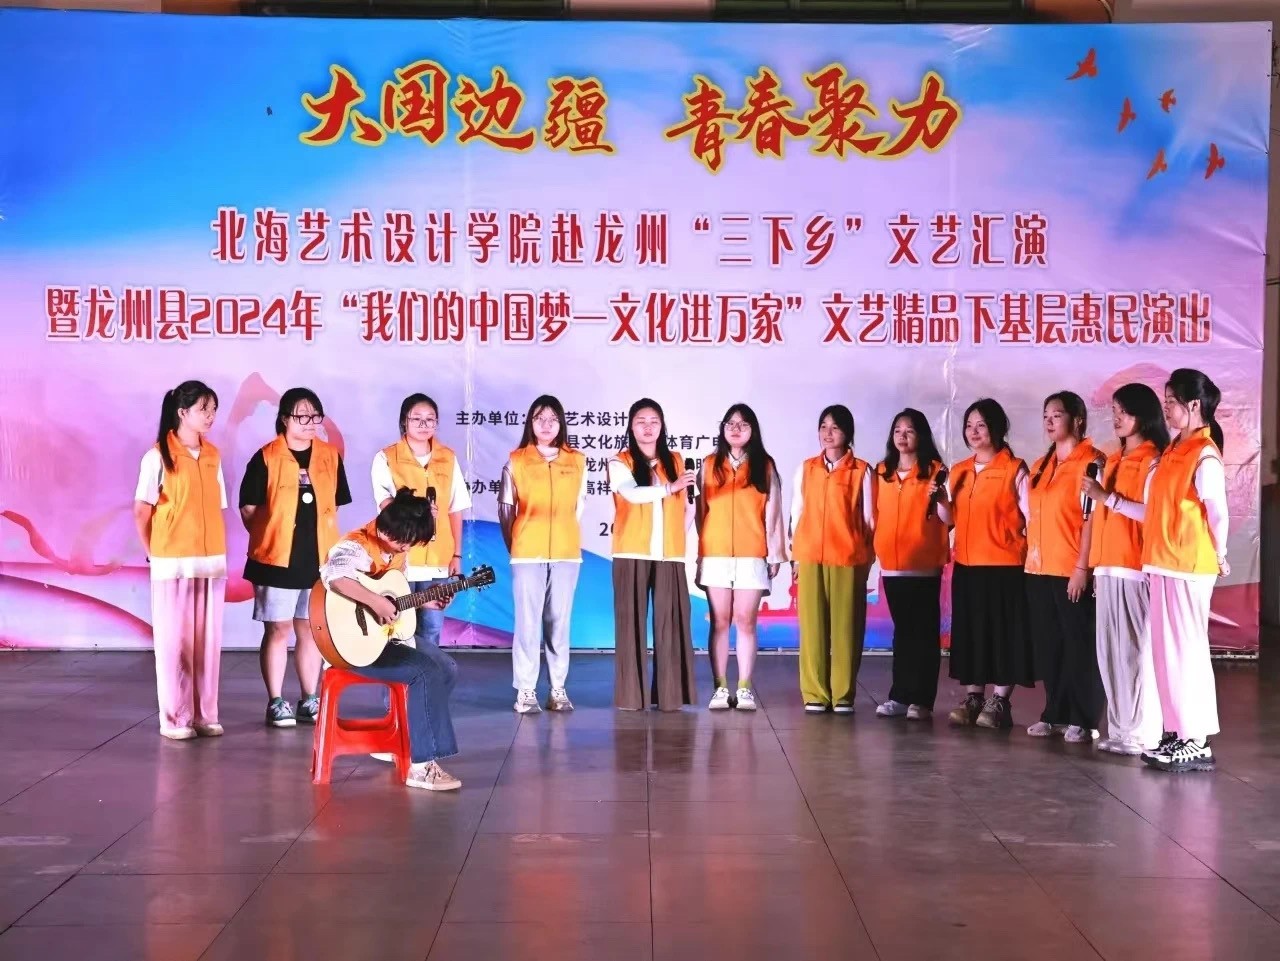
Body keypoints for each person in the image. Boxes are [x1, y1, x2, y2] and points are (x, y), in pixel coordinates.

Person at [318, 489, 461, 791]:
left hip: (383, 638)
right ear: (385, 528)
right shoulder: (356, 545)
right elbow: (335, 576)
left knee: (446, 668)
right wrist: (375, 602)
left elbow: (393, 596)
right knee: (425, 671)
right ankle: (422, 766)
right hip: (350, 644)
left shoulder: (397, 549)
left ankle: (402, 738)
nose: (405, 547)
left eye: (410, 543)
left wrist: (426, 601)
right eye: (402, 542)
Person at [1134, 369, 1229, 773]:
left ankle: (1197, 739)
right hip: (1163, 562)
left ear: (1194, 405)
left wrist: (1221, 553)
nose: (1166, 409)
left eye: (1171, 402)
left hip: (1189, 565)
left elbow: (1218, 513)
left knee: (1187, 653)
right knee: (1166, 655)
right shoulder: (1174, 450)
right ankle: (1176, 731)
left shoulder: (1204, 453)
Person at [241, 387, 352, 728]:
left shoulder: (330, 456)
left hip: (318, 559)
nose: (310, 423)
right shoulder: (266, 457)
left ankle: (309, 698)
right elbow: (248, 509)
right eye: (302, 416)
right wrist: (271, 536)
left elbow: (335, 505)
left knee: (310, 629)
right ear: (285, 419)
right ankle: (276, 701)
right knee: (279, 629)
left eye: (315, 416)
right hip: (276, 559)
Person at [132, 380, 227, 740]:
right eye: (204, 409)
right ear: (182, 412)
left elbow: (217, 507)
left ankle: (205, 715)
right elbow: (142, 511)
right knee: (175, 645)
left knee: (207, 644)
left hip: (211, 561)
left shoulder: (213, 455)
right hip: (172, 562)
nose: (210, 416)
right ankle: (175, 719)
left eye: (213, 409)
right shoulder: (158, 456)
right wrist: (153, 552)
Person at [1081, 383, 1168, 755]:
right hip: (1108, 567)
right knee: (1110, 653)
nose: (1117, 418)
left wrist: (1108, 498)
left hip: (1134, 567)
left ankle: (1141, 732)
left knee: (1134, 653)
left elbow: (1152, 514)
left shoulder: (1153, 460)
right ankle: (1119, 729)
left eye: (1125, 411)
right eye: (1115, 411)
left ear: (1143, 415)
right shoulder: (1113, 460)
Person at [943, 398, 1036, 729]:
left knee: (1002, 634)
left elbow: (1032, 518)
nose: (974, 432)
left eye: (981, 425)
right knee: (971, 633)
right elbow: (947, 519)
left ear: (997, 428)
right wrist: (939, 500)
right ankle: (973, 697)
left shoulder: (1014, 469)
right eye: (969, 425)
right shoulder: (959, 471)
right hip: (967, 564)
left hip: (1004, 566)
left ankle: (999, 701)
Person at [1024, 391, 1104, 743]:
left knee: (1078, 645)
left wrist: (1081, 568)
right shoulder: (1041, 465)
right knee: (1050, 646)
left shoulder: (1092, 462)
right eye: (1046, 415)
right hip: (1038, 568)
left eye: (1056, 414)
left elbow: (1091, 520)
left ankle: (1083, 718)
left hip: (1070, 568)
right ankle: (1053, 712)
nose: (1049, 421)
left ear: (1077, 420)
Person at [696, 404, 787, 711]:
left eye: (743, 424)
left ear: (753, 431)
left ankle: (745, 687)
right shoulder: (710, 464)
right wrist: (703, 550)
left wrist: (774, 553)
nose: (736, 429)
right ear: (722, 428)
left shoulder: (765, 465)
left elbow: (773, 512)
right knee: (720, 621)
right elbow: (701, 513)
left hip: (752, 553)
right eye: (730, 423)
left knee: (746, 621)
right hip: (716, 553)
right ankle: (720, 687)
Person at [609, 399, 699, 711]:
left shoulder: (677, 460)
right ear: (631, 427)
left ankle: (670, 697)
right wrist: (669, 488)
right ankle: (631, 697)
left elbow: (690, 507)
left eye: (654, 421)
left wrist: (676, 538)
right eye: (641, 421)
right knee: (630, 624)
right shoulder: (619, 461)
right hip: (630, 552)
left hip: (669, 555)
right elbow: (632, 494)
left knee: (670, 624)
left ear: (662, 426)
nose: (648, 428)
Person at [499, 395, 587, 714]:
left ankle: (557, 688)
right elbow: (506, 509)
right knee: (527, 623)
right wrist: (518, 544)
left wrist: (565, 534)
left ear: (561, 423)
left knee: (559, 622)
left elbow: (578, 507)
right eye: (540, 418)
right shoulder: (516, 461)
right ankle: (526, 690)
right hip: (526, 553)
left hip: (566, 553)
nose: (546, 425)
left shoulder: (577, 461)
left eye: (553, 419)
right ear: (530, 423)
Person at [789, 405, 874, 715]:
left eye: (835, 427)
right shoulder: (806, 468)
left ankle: (843, 694)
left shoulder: (861, 470)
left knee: (846, 628)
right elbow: (797, 512)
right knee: (812, 627)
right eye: (823, 426)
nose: (828, 432)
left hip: (847, 556)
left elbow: (869, 519)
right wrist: (795, 557)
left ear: (847, 433)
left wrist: (865, 557)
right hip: (810, 554)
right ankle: (815, 692)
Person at [371, 393, 472, 649]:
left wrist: (456, 555)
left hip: (437, 560)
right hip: (400, 558)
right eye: (416, 418)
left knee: (431, 630)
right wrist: (420, 512)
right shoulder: (386, 458)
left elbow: (455, 509)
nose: (423, 424)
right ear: (404, 421)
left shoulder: (448, 458)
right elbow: (386, 508)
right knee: (398, 630)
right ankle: (400, 677)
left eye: (430, 419)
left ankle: (427, 677)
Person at [873, 409, 950, 721]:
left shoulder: (936, 471)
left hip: (924, 563)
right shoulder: (882, 472)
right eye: (898, 430)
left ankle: (922, 700)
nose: (902, 436)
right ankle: (900, 695)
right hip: (892, 564)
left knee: (924, 633)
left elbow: (949, 519)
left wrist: (942, 499)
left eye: (909, 431)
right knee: (902, 632)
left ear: (921, 436)